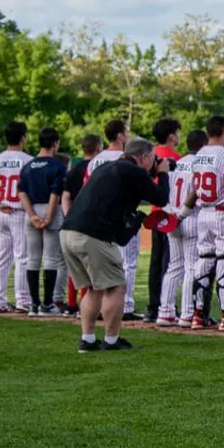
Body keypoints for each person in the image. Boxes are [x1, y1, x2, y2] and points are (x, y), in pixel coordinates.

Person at [60, 137, 169, 352]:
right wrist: (163, 172)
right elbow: (161, 198)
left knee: (92, 289)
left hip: (68, 232)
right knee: (115, 287)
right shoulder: (131, 171)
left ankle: (88, 340)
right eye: (153, 158)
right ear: (144, 157)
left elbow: (121, 228)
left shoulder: (108, 168)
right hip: (93, 234)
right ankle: (111, 340)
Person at [187, 116, 224, 331]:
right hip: (222, 213)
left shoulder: (198, 155)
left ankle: (198, 314)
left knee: (204, 260)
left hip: (203, 213)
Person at [87, 117, 143, 318]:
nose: (127, 135)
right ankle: (125, 306)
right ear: (120, 136)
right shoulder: (128, 157)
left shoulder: (95, 160)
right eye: (126, 132)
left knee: (102, 263)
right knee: (128, 262)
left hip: (98, 217)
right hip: (122, 215)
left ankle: (103, 305)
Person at [154, 129, 206, 328]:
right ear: (203, 145)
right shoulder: (199, 164)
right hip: (191, 217)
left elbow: (164, 189)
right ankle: (187, 313)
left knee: (174, 266)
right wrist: (182, 213)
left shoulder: (177, 164)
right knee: (191, 266)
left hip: (172, 216)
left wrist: (171, 214)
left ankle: (165, 311)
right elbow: (196, 192)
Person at [20, 127, 69, 316]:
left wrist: (32, 214)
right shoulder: (57, 166)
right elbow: (55, 192)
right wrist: (48, 217)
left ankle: (34, 304)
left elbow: (21, 191)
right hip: (50, 209)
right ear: (55, 143)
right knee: (51, 258)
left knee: (32, 258)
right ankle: (47, 304)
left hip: (31, 210)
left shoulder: (28, 165)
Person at [0, 121, 31, 313]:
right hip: (19, 212)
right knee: (22, 257)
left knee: (0, 257)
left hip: (0, 210)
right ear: (23, 137)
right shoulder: (28, 160)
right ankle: (23, 301)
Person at [144, 117, 182, 322]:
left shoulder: (151, 154)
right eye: (177, 132)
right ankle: (166, 306)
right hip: (170, 214)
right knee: (170, 263)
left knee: (155, 261)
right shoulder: (176, 157)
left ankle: (152, 306)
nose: (179, 135)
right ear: (171, 136)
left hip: (154, 212)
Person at [59, 130, 102, 314]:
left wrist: (69, 215)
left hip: (73, 219)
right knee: (89, 267)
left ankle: (71, 305)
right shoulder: (98, 167)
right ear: (99, 147)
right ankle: (85, 306)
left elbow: (65, 196)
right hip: (91, 219)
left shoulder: (74, 169)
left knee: (74, 266)